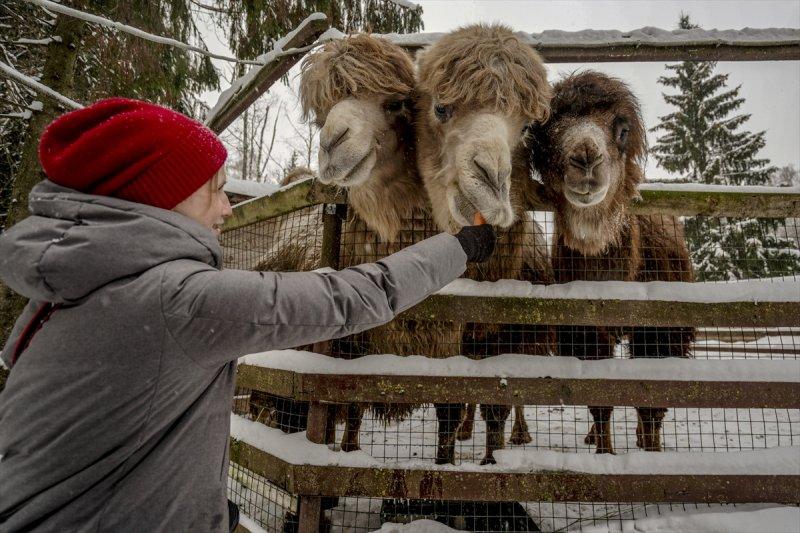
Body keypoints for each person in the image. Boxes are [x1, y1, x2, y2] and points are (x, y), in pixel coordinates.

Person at [0, 98, 496, 532]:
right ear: (163, 197)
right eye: (215, 189)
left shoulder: (66, 291)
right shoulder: (178, 301)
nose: (228, 208)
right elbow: (348, 298)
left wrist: (210, 512)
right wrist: (457, 248)